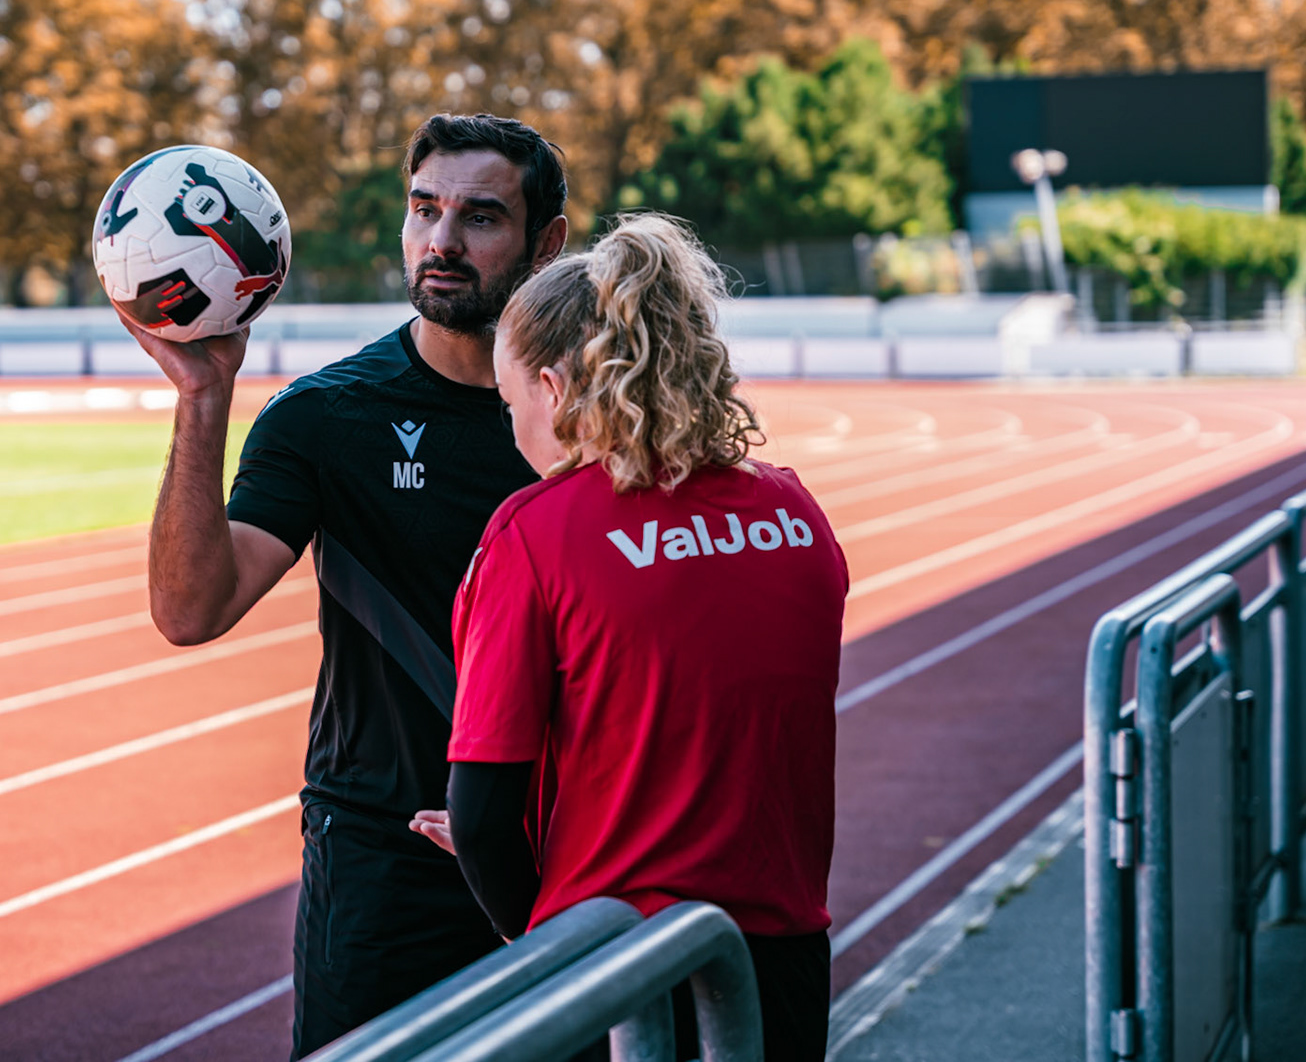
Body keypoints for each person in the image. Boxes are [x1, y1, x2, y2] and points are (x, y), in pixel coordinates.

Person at [120, 114, 569, 1058]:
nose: (441, 241)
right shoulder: (328, 416)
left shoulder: (590, 421)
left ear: (546, 244)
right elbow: (188, 610)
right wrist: (203, 401)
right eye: (424, 210)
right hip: (381, 859)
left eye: (480, 217)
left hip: (559, 848)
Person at [410, 213, 848, 1060]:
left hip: (615, 971)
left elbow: (486, 807)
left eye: (510, 404)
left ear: (555, 390)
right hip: (782, 960)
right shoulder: (793, 510)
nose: (513, 431)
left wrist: (530, 932)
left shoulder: (533, 534)